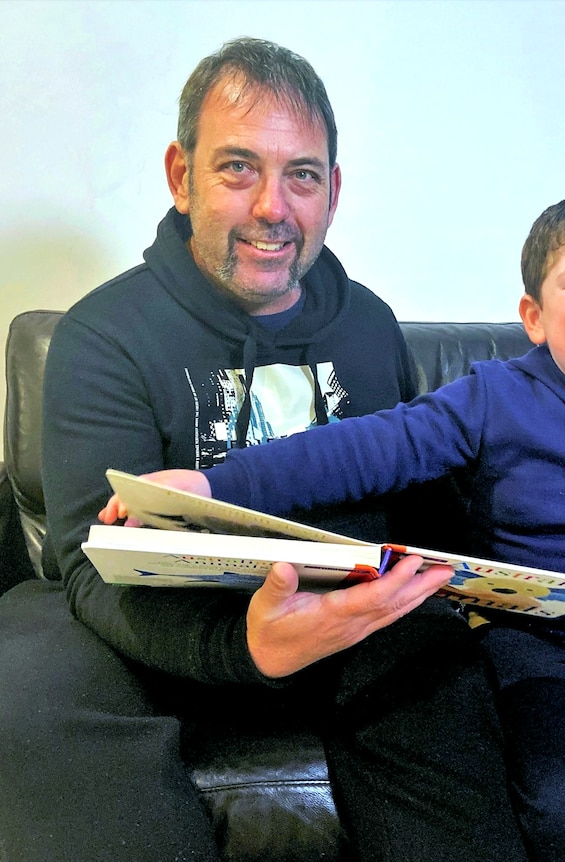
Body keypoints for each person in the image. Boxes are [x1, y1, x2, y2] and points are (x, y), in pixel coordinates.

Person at [107, 191, 565, 861]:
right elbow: (365, 449)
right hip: (544, 656)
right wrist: (210, 482)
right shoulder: (493, 397)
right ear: (533, 317)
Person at [0, 38, 530, 862]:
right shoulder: (101, 337)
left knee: (436, 665)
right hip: (166, 636)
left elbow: (422, 509)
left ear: (333, 191)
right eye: (238, 169)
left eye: (302, 175)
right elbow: (87, 568)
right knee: (25, 673)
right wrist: (243, 647)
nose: (273, 207)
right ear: (182, 177)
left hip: (348, 623)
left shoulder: (367, 327)